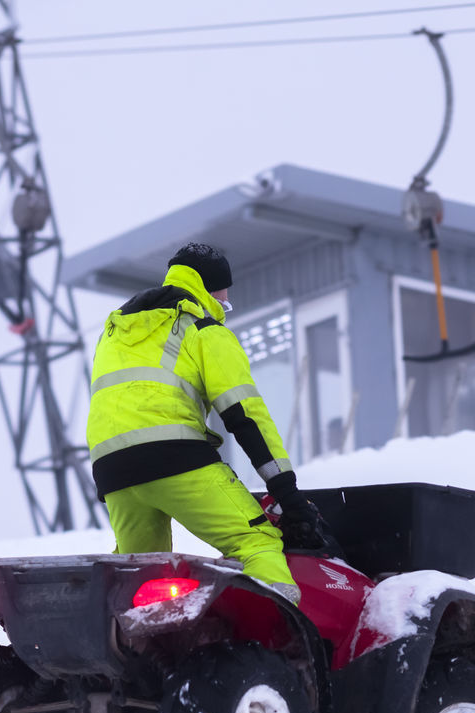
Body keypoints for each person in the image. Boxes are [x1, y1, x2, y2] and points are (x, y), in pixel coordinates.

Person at [85, 243, 320, 604]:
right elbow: (245, 417)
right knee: (256, 542)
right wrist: (287, 492)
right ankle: (272, 644)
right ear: (211, 289)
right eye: (225, 298)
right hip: (173, 457)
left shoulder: (114, 333)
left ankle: (134, 650)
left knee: (143, 573)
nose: (225, 305)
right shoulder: (203, 329)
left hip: (111, 471)